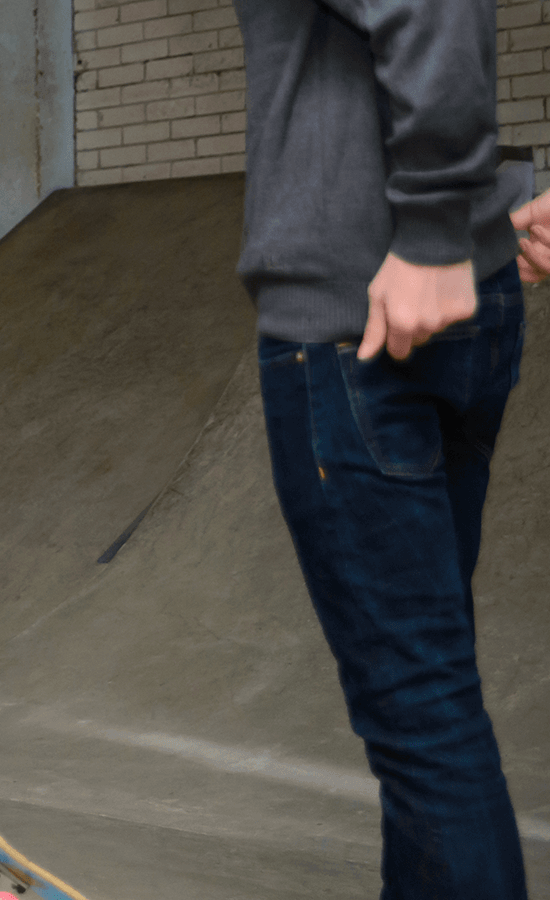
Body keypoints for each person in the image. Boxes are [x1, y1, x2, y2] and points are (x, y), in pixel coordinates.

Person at [234, 0, 527, 896]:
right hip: (441, 303)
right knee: (433, 702)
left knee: (425, 721)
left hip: (356, 332)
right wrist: (489, 205)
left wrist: (437, 228)